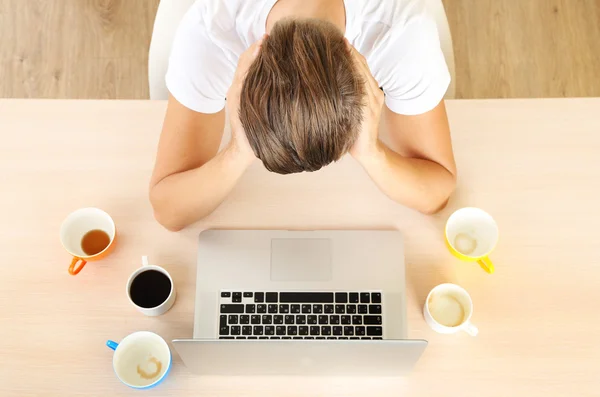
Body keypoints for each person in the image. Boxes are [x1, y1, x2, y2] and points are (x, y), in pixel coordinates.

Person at [150, 0, 457, 231]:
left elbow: (437, 193)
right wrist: (239, 150)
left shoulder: (401, 31)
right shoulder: (214, 31)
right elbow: (168, 210)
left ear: (363, 72)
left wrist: (372, 152)